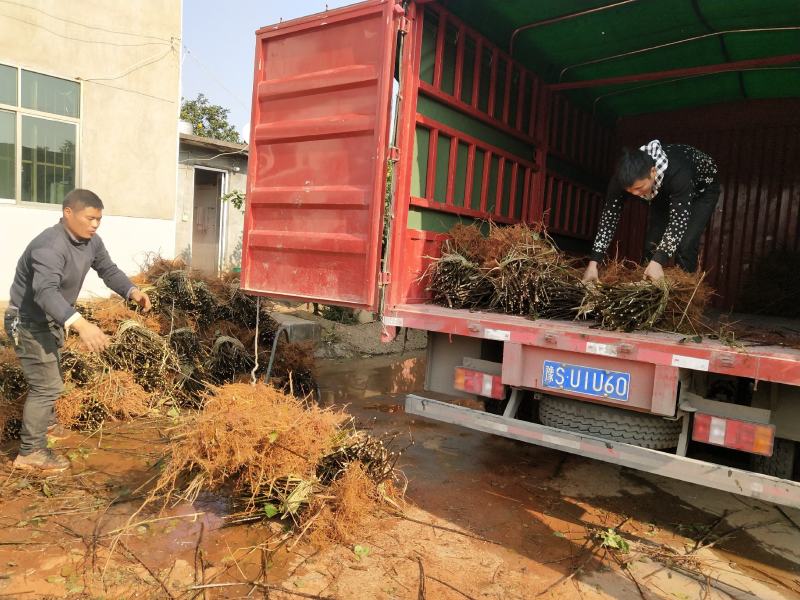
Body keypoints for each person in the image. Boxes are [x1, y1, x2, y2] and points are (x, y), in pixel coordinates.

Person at [3, 189, 151, 472]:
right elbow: (45, 292)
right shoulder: (49, 245)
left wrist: (132, 290)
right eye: (90, 218)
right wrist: (80, 324)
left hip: (51, 320)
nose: (95, 225)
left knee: (51, 374)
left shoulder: (91, 243)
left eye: (99, 219)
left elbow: (108, 269)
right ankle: (30, 451)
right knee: (46, 385)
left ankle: (44, 422)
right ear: (68, 213)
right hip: (26, 320)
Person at [582, 140, 720, 283]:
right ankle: (644, 287)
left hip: (703, 191)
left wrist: (659, 261)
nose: (635, 194)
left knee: (686, 244)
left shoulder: (679, 172)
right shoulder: (621, 180)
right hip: (663, 189)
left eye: (639, 188)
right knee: (652, 243)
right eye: (630, 191)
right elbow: (608, 219)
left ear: (653, 171)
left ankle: (683, 293)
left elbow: (679, 219)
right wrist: (594, 263)